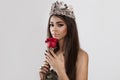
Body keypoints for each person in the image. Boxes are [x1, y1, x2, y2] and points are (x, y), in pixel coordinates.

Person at [39, 1, 89, 80]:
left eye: (60, 25)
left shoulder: (81, 56)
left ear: (69, 27)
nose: (54, 29)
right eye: (51, 25)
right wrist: (43, 77)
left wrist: (60, 71)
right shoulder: (53, 54)